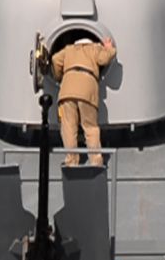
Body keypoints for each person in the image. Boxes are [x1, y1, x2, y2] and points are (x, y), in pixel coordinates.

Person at [50, 34, 116, 167]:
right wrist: (109, 48)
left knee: (68, 127)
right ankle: (96, 161)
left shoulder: (68, 50)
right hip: (87, 89)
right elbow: (105, 59)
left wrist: (59, 77)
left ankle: (71, 161)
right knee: (90, 127)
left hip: (67, 90)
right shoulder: (94, 48)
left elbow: (55, 59)